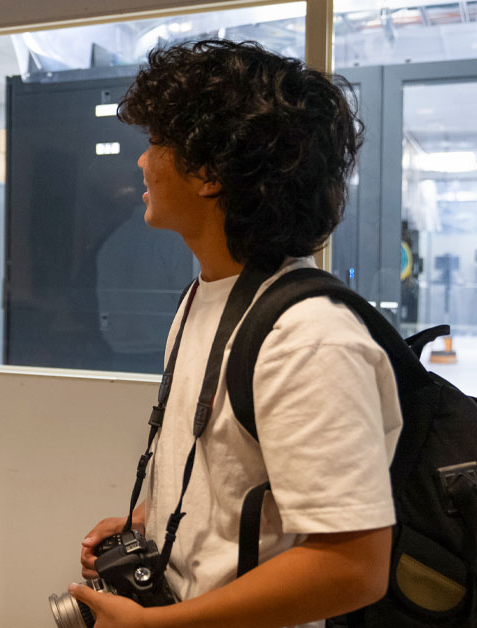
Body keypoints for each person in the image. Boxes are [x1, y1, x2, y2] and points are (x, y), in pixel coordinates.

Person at [70, 40, 402, 628]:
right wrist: (151, 517)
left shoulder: (308, 338)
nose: (142, 163)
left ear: (211, 174)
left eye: (156, 143)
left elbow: (354, 565)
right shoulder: (207, 295)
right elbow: (239, 475)